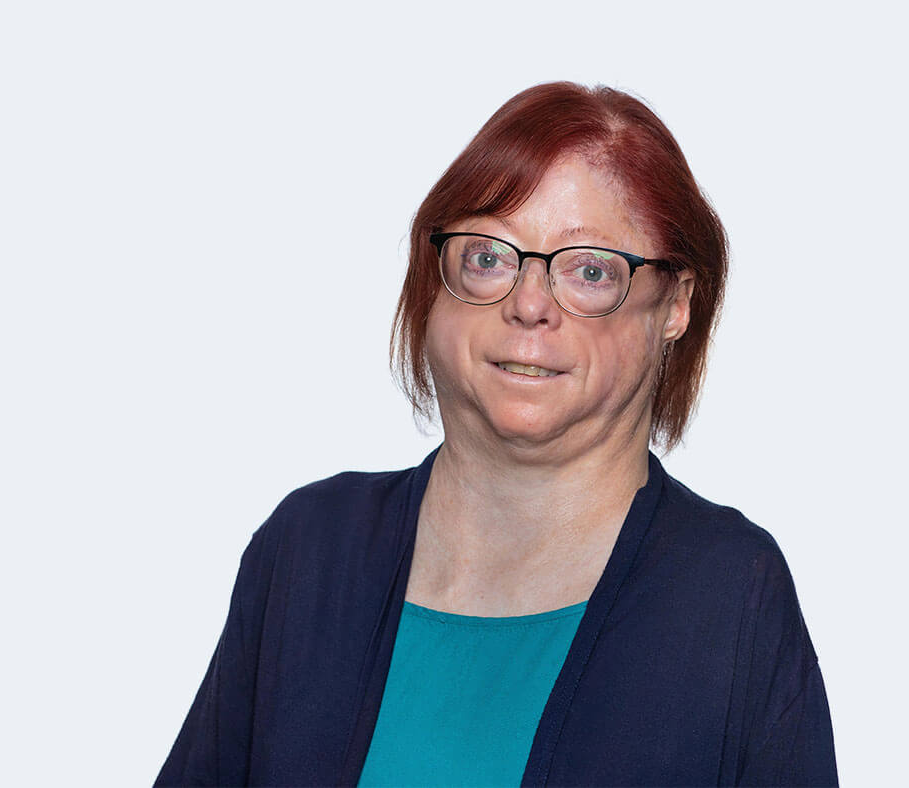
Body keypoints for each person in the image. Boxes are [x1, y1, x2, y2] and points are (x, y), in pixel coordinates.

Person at [155, 82, 837, 787]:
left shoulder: (729, 594)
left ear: (677, 304)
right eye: (489, 257)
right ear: (435, 279)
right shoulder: (308, 551)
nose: (530, 304)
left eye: (591, 269)